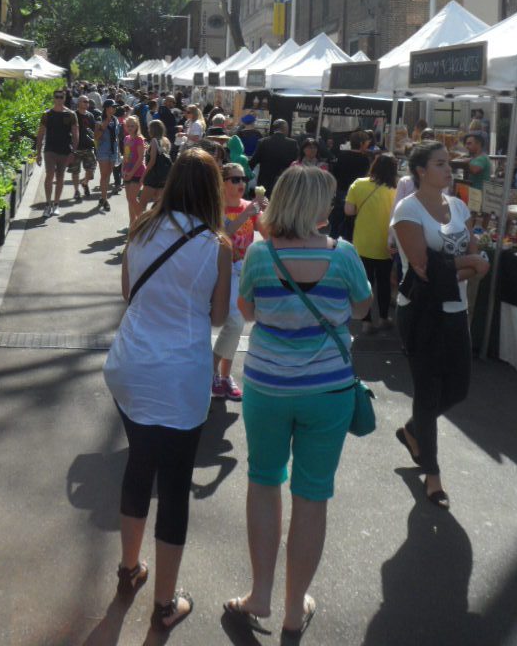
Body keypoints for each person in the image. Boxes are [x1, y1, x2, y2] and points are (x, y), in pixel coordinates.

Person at [224, 166, 372, 638]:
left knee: (264, 482)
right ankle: (293, 608)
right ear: (313, 207)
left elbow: (247, 312)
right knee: (312, 495)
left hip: (267, 387)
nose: (331, 207)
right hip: (328, 392)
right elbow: (362, 308)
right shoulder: (344, 255)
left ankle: (260, 595)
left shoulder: (261, 256)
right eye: (327, 199)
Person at [103, 149, 232, 632]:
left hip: (130, 365)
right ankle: (163, 603)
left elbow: (126, 292)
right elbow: (218, 317)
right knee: (175, 487)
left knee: (139, 464)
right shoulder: (215, 245)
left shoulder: (140, 229)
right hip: (180, 375)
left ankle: (129, 568)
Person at [390, 141, 489, 508]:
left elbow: (473, 253)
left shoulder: (459, 206)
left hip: (455, 309)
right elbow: (423, 267)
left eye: (449, 164)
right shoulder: (407, 209)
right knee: (428, 391)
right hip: (421, 312)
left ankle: (414, 429)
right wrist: (469, 265)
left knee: (459, 388)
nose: (449, 171)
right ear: (420, 170)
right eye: (440, 164)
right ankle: (432, 474)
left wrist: (465, 263)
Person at [213, 162, 266, 401]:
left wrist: (266, 211)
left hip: (244, 271)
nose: (241, 184)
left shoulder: (249, 207)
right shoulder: (216, 207)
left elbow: (268, 235)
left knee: (237, 323)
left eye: (243, 179)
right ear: (223, 183)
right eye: (234, 179)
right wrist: (247, 214)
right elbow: (224, 233)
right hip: (221, 271)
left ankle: (224, 377)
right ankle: (210, 370)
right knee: (234, 321)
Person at [345, 153, 398, 334]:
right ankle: (384, 317)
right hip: (387, 245)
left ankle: (366, 321)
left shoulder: (358, 184)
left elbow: (349, 211)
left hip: (363, 243)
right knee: (383, 283)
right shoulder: (396, 191)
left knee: (364, 283)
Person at [35, 89, 79, 218]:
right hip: (50, 150)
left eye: (61, 97)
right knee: (49, 174)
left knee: (60, 177)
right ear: (54, 98)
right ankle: (48, 204)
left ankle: (56, 204)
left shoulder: (71, 114)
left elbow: (76, 134)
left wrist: (73, 152)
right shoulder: (47, 114)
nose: (59, 99)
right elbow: (40, 133)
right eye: (57, 97)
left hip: (64, 150)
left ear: (64, 98)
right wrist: (38, 153)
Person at [329, 130, 371, 238]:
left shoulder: (341, 156)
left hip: (341, 190)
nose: (368, 145)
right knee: (351, 222)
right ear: (361, 143)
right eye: (367, 142)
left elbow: (335, 173)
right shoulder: (365, 159)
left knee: (337, 220)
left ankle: (333, 239)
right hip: (356, 193)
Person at [248, 118, 299, 195]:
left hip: (264, 183)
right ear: (285, 129)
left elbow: (253, 162)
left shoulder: (262, 142)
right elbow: (297, 163)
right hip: (284, 182)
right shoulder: (292, 143)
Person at [67, 94, 98, 201]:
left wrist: (95, 139)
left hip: (88, 147)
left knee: (91, 170)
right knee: (75, 171)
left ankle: (84, 182)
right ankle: (76, 191)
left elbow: (94, 131)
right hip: (76, 148)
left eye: (87, 102)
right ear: (78, 103)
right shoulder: (72, 115)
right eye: (84, 101)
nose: (86, 103)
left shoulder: (90, 116)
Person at [140, 118, 172, 211]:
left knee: (143, 203)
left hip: (152, 176)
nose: (148, 130)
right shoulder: (166, 141)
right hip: (163, 177)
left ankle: (142, 224)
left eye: (149, 128)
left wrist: (143, 175)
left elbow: (152, 161)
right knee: (158, 204)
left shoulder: (154, 141)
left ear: (153, 129)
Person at [95, 99, 121, 212]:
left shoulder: (116, 120)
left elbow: (116, 137)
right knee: (104, 175)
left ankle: (102, 196)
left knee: (108, 175)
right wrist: (105, 122)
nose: (114, 108)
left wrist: (119, 151)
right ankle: (105, 199)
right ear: (106, 108)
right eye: (112, 106)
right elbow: (96, 136)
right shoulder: (99, 120)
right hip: (103, 151)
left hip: (113, 151)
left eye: (115, 107)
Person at [122, 115, 147, 227]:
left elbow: (141, 158)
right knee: (129, 199)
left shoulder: (139, 139)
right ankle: (132, 224)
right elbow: (125, 156)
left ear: (136, 126)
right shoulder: (126, 138)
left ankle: (143, 222)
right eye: (128, 126)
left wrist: (131, 172)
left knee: (132, 198)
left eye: (132, 126)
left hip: (137, 172)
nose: (130, 128)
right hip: (127, 171)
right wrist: (123, 170)